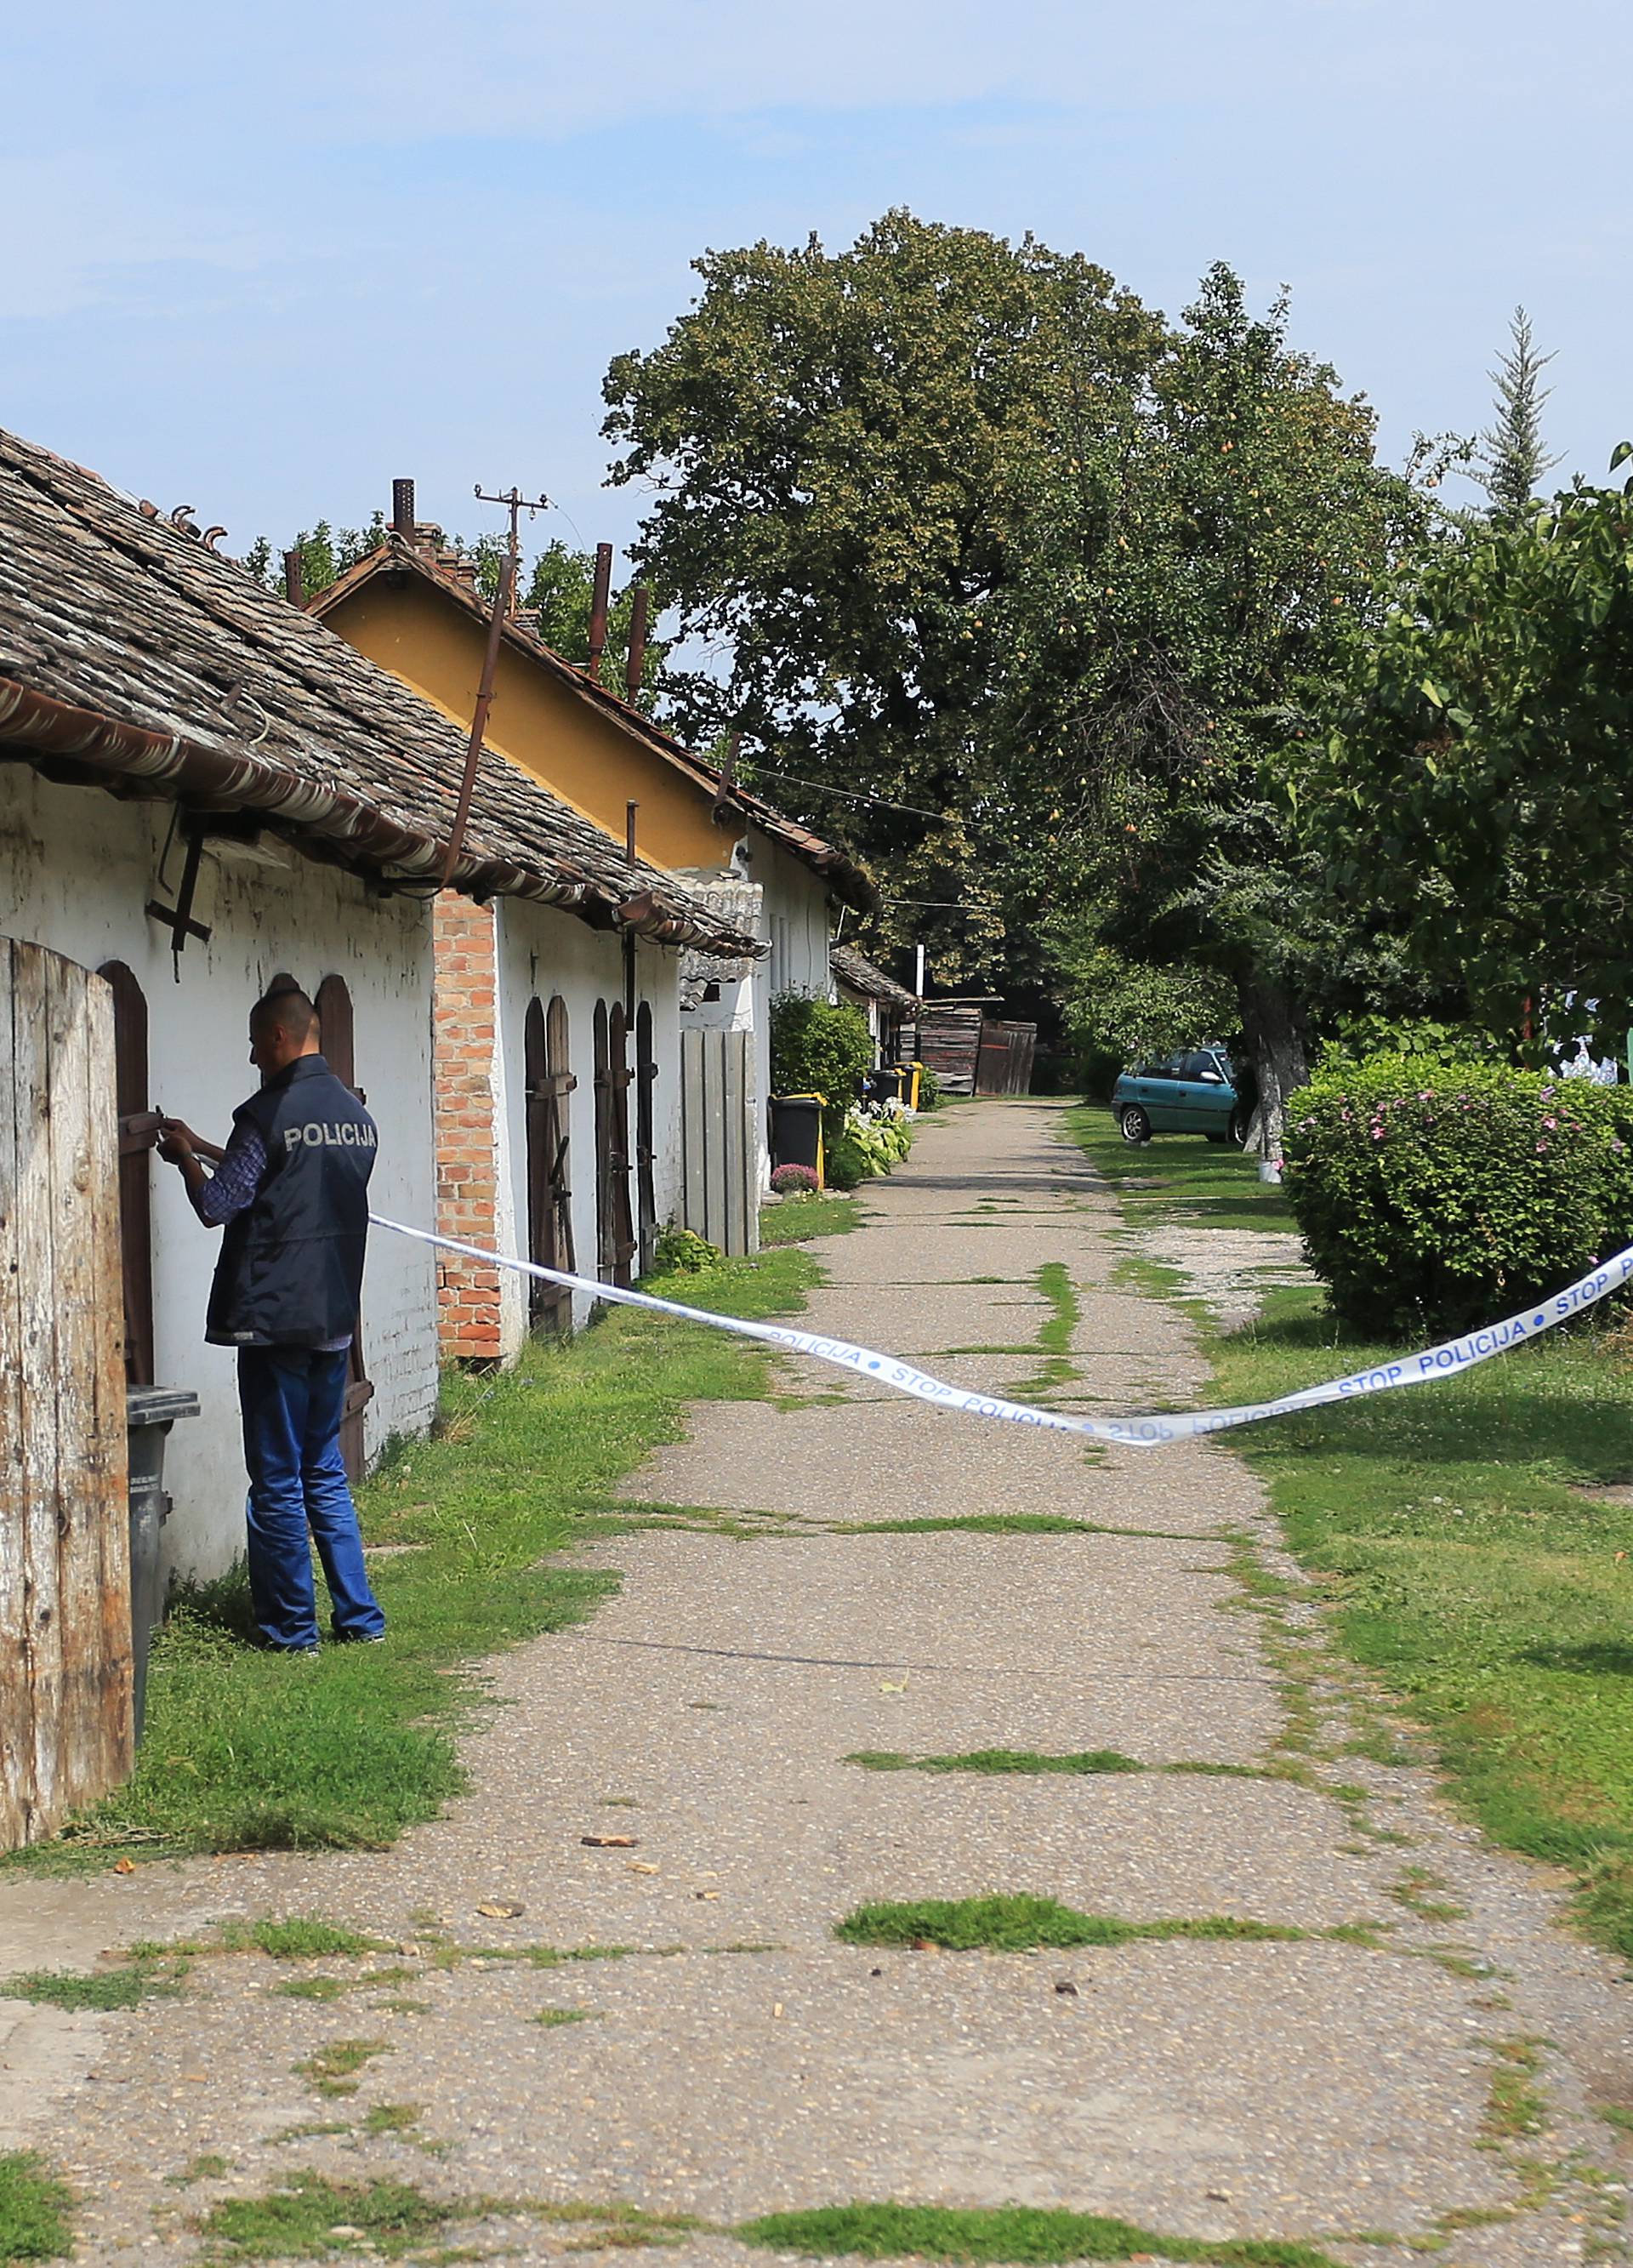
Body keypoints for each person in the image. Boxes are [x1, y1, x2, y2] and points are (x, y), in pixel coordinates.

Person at [157, 985, 387, 1655]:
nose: (252, 1054)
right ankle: (360, 1620)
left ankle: (291, 1632)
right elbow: (292, 1177)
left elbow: (221, 1206)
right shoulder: (353, 1114)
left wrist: (183, 1162)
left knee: (278, 1481)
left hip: (274, 1322)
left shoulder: (265, 1114)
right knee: (324, 1472)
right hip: (334, 1319)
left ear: (281, 1039)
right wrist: (202, 1140)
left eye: (257, 1041)